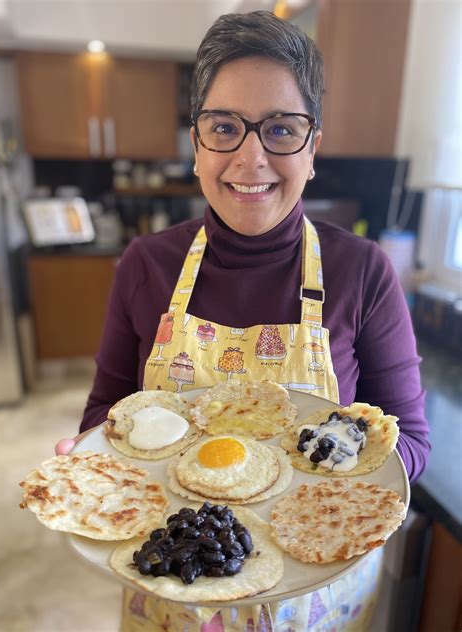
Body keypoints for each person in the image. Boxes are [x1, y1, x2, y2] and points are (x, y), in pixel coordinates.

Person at [56, 10, 430, 631]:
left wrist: (315, 487)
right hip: (170, 582)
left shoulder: (362, 269)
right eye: (225, 126)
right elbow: (106, 416)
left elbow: (410, 443)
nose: (251, 158)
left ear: (313, 147)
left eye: (281, 129)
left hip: (315, 597)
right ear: (198, 144)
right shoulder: (146, 264)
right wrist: (97, 460)